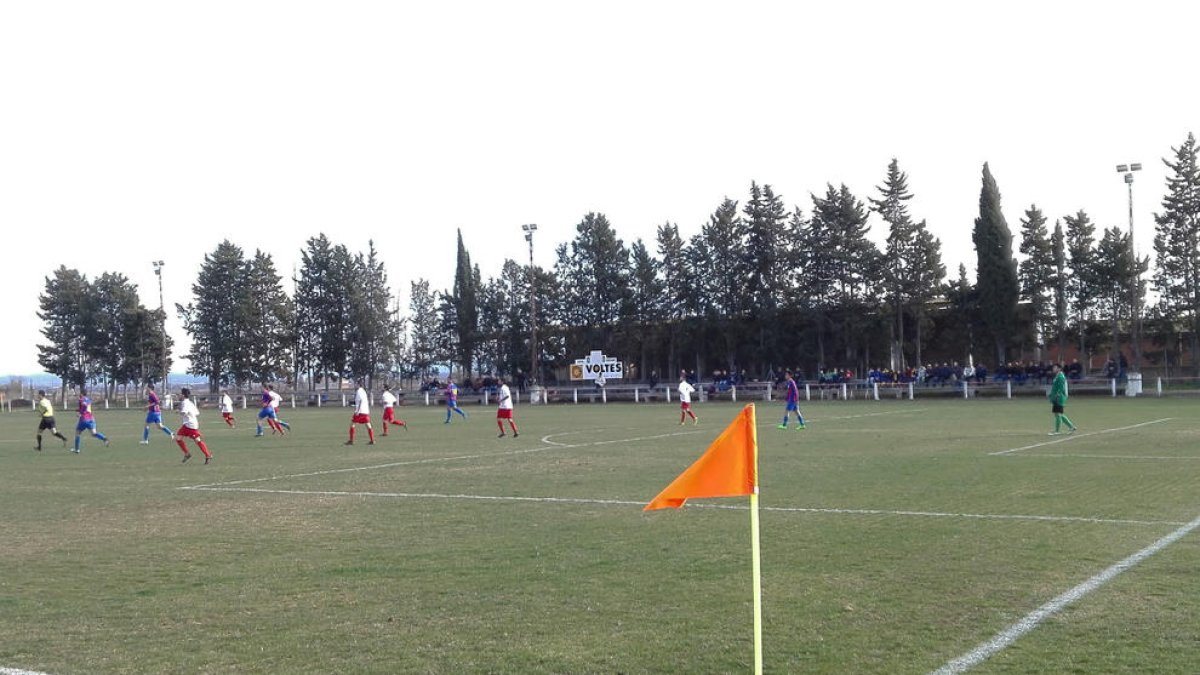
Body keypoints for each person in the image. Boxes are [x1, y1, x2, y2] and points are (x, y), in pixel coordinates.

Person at [175, 387, 213, 464]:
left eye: (180, 394)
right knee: (178, 438)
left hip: (190, 425)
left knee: (197, 440)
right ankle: (187, 453)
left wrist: (178, 411)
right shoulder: (190, 403)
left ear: (182, 395)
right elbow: (197, 413)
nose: (179, 395)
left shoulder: (185, 403)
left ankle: (207, 455)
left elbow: (184, 412)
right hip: (188, 424)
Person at [1047, 363, 1078, 436]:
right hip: (1057, 397)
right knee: (1059, 414)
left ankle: (1057, 431)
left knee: (1058, 414)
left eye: (1055, 367)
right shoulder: (1058, 376)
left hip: (1059, 398)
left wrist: (1057, 396)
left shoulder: (1060, 376)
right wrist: (1051, 395)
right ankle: (1071, 427)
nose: (1053, 369)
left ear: (1059, 369)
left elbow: (1061, 388)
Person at [346, 380, 375, 445]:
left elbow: (361, 401)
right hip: (365, 411)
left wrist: (358, 411)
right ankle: (372, 440)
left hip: (360, 411)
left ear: (358, 384)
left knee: (352, 424)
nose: (355, 385)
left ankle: (351, 440)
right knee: (368, 425)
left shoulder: (359, 391)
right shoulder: (363, 391)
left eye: (356, 384)